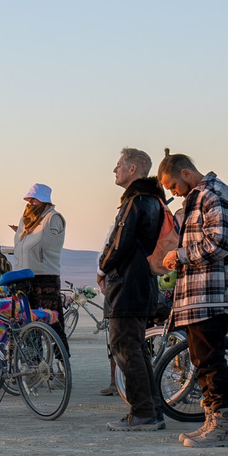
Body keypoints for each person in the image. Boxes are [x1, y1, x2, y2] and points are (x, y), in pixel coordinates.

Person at [159, 153, 228, 447]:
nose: (174, 192)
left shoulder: (212, 195)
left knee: (210, 360)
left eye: (173, 185)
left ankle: (222, 428)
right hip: (202, 294)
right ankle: (212, 422)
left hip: (213, 294)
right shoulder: (202, 195)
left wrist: (180, 255)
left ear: (186, 174)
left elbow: (220, 242)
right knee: (203, 359)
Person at [99, 149, 169, 431]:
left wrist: (103, 267)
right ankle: (152, 409)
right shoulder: (154, 200)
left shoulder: (136, 201)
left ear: (132, 169)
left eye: (119, 165)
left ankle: (143, 413)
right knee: (137, 348)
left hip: (127, 285)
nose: (114, 170)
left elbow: (119, 243)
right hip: (143, 284)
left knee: (125, 347)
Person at [0, 184, 65, 324]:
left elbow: (47, 243)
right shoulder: (25, 220)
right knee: (26, 322)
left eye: (34, 199)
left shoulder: (53, 218)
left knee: (50, 322)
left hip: (44, 276)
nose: (30, 202)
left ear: (44, 200)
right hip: (23, 276)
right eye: (29, 199)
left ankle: (55, 340)